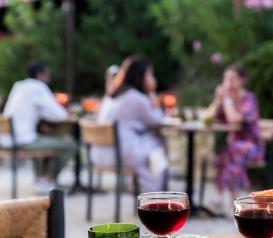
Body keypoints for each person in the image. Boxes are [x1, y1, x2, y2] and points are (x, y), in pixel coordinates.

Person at [91, 55, 168, 192]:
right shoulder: (135, 97)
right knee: (158, 147)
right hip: (120, 155)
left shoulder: (111, 96)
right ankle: (155, 197)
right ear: (141, 76)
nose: (152, 78)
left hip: (98, 154)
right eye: (150, 74)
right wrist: (151, 92)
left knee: (151, 146)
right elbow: (157, 120)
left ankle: (144, 192)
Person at [1, 61, 76, 191]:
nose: (49, 76)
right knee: (70, 145)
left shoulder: (18, 86)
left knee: (46, 138)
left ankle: (41, 179)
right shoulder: (38, 87)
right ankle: (46, 180)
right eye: (48, 73)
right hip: (21, 141)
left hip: (5, 140)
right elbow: (60, 115)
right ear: (41, 74)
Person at [206, 65, 264, 199]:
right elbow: (207, 119)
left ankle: (233, 199)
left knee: (232, 150)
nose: (228, 83)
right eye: (225, 79)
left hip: (252, 146)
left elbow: (234, 120)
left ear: (242, 80)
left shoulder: (249, 99)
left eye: (232, 79)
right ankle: (223, 200)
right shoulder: (227, 101)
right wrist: (217, 100)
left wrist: (226, 100)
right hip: (233, 147)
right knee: (227, 152)